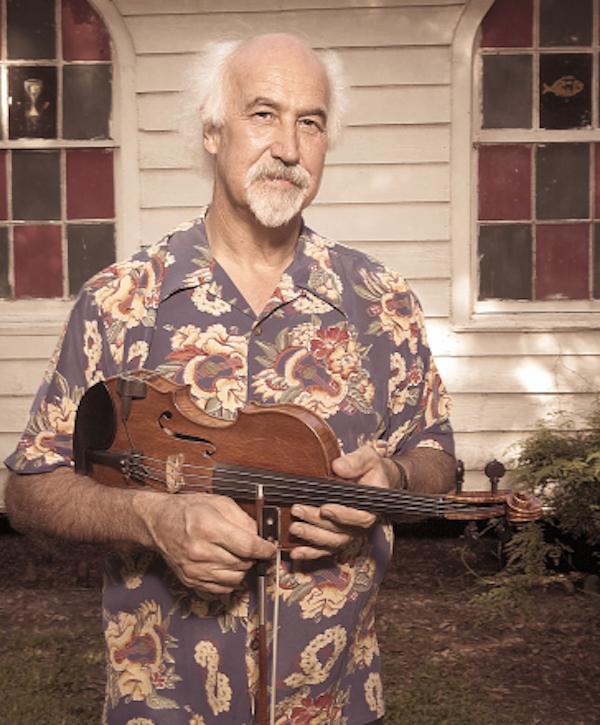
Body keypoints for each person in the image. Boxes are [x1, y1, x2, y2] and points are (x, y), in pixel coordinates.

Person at [5, 33, 455, 725]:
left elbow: (439, 463)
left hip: (333, 702)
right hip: (160, 704)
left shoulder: (381, 299)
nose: (287, 146)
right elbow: (30, 488)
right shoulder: (122, 299)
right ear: (213, 131)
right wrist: (151, 517)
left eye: (311, 121)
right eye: (263, 114)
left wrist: (393, 480)